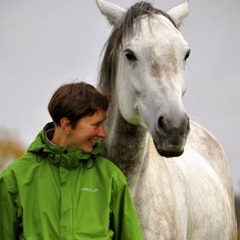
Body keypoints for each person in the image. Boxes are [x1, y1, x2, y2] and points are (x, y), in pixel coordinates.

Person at [0, 82, 144, 240]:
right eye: (96, 125)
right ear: (67, 125)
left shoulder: (111, 178)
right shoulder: (14, 178)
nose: (103, 133)